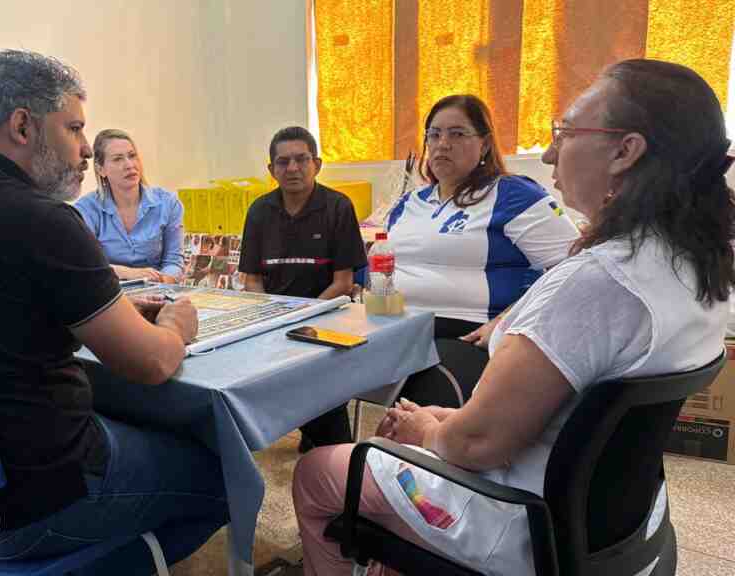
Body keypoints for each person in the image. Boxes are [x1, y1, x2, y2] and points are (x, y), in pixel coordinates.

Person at [292, 59, 733, 576]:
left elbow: (477, 444)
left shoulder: (594, 283)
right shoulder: (694, 263)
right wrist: (439, 422)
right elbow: (530, 415)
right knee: (402, 423)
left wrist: (429, 429)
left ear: (625, 151)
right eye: (434, 135)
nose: (548, 152)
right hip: (613, 521)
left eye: (564, 131)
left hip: (521, 517)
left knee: (317, 472)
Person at [0, 49, 228, 573]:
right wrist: (176, 325)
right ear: (23, 126)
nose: (86, 149)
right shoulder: (42, 218)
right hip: (35, 505)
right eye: (74, 128)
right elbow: (152, 363)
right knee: (225, 473)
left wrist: (106, 313)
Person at [386, 95, 579, 407]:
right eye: (434, 134)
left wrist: (505, 320)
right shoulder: (409, 203)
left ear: (485, 144)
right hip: (397, 326)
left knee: (427, 395)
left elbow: (574, 268)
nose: (442, 144)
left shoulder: (513, 194)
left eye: (457, 134)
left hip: (469, 333)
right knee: (323, 366)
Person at [239, 126, 368, 451]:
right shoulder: (259, 211)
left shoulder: (338, 207)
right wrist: (270, 320)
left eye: (301, 159)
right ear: (271, 170)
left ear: (317, 164)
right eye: (283, 162)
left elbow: (343, 284)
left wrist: (299, 320)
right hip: (273, 322)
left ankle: (330, 447)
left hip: (327, 321)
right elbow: (252, 280)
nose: (292, 168)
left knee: (322, 389)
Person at [74, 129, 184, 283]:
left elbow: (174, 262)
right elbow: (84, 264)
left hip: (157, 288)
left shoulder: (168, 202)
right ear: (101, 169)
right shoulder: (86, 209)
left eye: (132, 156)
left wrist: (160, 283)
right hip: (108, 291)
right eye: (118, 159)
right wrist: (129, 273)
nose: (129, 165)